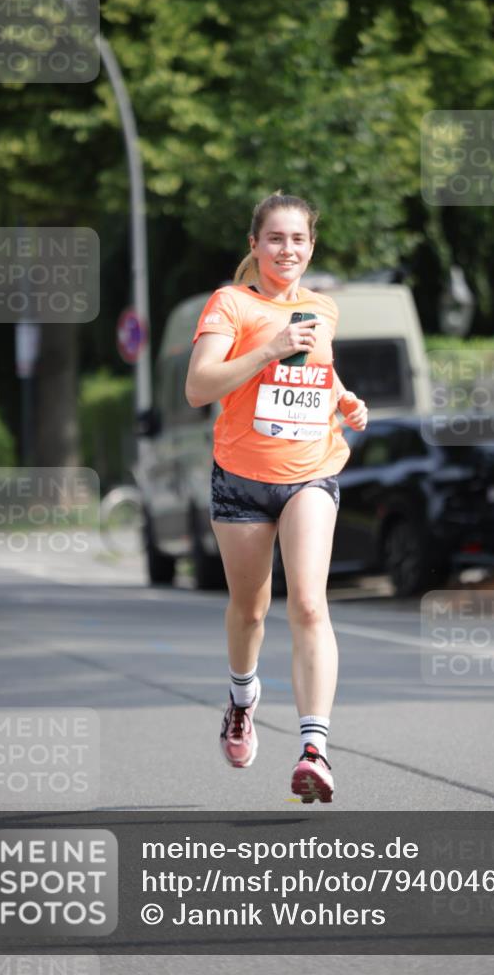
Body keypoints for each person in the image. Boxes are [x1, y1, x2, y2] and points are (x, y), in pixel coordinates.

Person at [185, 192, 367, 803]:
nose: (287, 250)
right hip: (241, 476)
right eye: (276, 239)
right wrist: (268, 347)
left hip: (311, 470)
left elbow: (317, 371)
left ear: (311, 247)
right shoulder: (231, 304)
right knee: (251, 611)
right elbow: (198, 387)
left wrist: (345, 400)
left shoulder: (323, 307)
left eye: (298, 239)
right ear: (255, 245)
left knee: (310, 604)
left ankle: (314, 749)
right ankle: (242, 699)